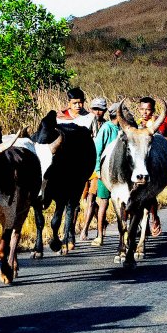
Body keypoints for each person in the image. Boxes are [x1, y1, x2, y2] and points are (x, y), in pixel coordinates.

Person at [135, 96, 167, 237]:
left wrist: (163, 122)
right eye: (142, 109)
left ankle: (154, 218)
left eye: (148, 110)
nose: (145, 112)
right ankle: (143, 225)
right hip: (139, 162)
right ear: (139, 109)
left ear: (153, 110)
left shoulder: (157, 123)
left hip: (155, 160)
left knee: (150, 193)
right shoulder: (136, 124)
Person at [89, 102, 121, 246]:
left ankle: (124, 235)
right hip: (105, 172)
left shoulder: (123, 129)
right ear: (118, 115)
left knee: (123, 205)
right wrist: (97, 170)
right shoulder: (107, 128)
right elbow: (97, 150)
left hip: (120, 174)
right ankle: (100, 235)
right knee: (103, 203)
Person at [77, 97, 108, 240]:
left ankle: (84, 230)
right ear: (91, 109)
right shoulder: (86, 124)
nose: (97, 112)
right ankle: (103, 223)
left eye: (100, 109)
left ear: (105, 111)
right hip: (86, 165)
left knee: (91, 197)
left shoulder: (107, 126)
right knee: (86, 199)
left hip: (100, 165)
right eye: (95, 109)